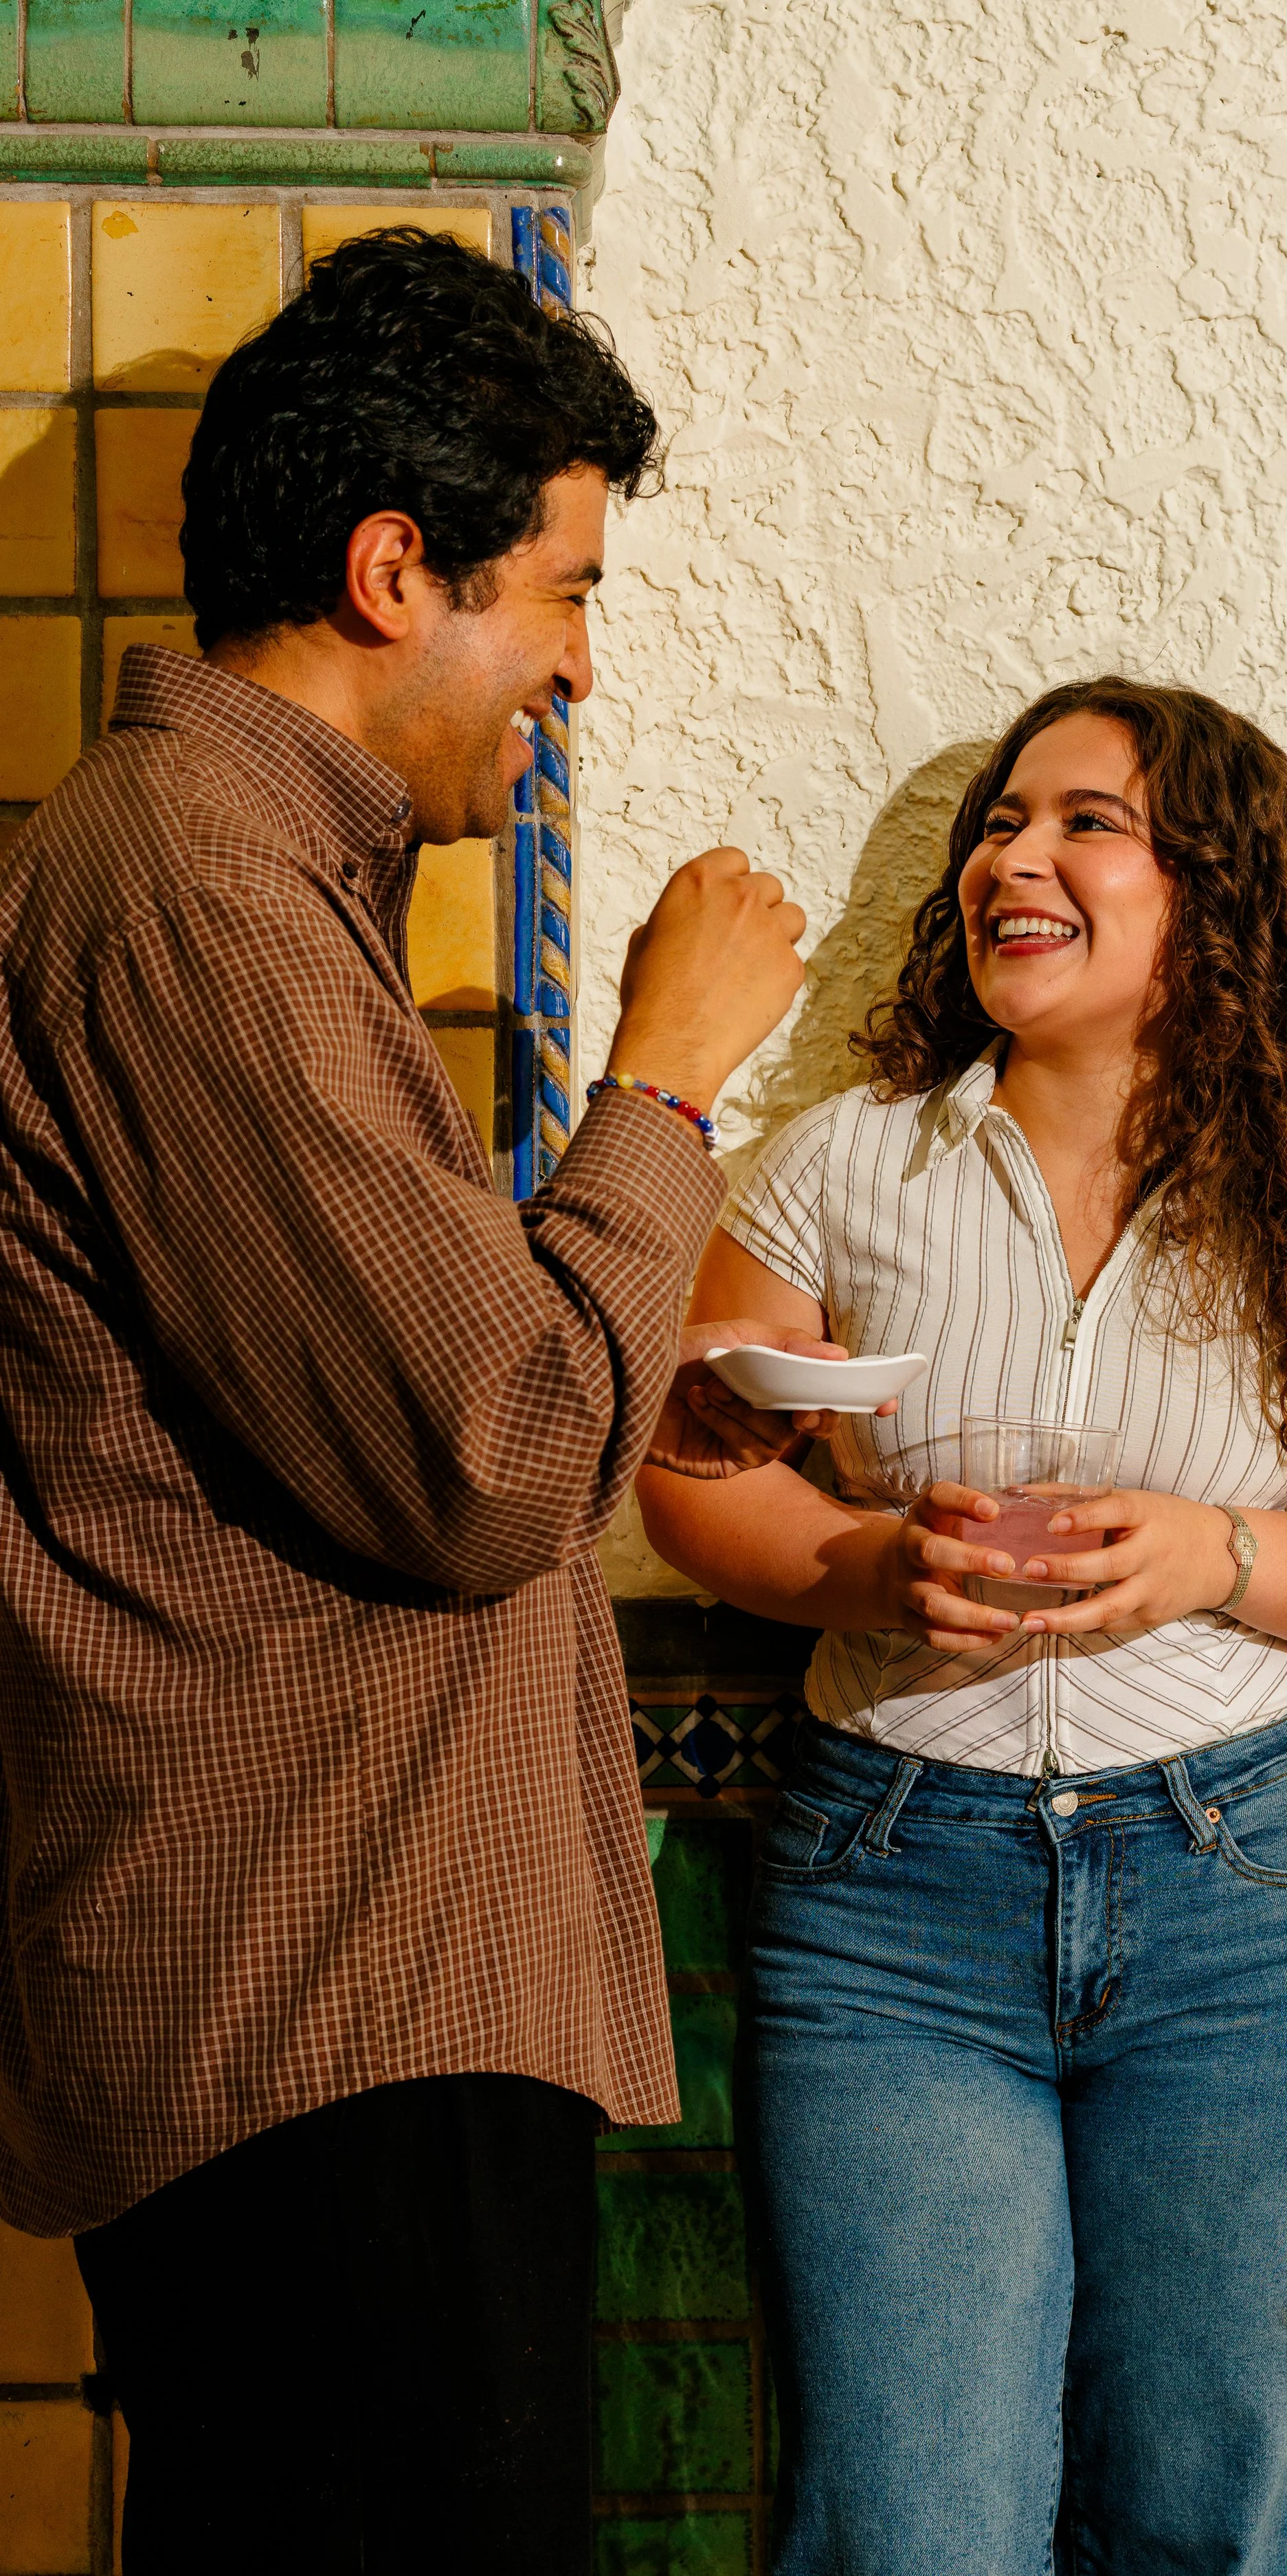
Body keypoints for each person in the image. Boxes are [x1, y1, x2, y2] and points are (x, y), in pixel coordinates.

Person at [0, 227, 826, 2573]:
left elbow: (403, 1407)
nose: (576, 664)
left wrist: (640, 1371)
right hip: (320, 2003)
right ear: (395, 574)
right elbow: (476, 1467)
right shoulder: (193, 887)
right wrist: (661, 1080)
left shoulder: (257, 882)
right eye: (556, 591)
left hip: (348, 1996)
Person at [639, 677, 1287, 2576]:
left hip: (1246, 1913)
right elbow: (693, 1467)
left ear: (1218, 892)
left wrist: (1215, 1552)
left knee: (1195, 2523)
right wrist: (865, 1570)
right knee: (911, 2534)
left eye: (1080, 822)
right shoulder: (842, 1166)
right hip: (894, 1910)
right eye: (992, 824)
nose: (1009, 859)